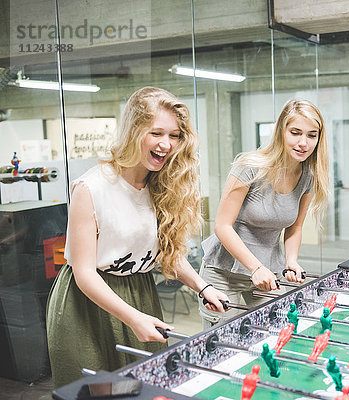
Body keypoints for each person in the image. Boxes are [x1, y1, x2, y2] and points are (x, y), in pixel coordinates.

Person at [46, 87, 229, 388]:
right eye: (156, 133)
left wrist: (202, 286)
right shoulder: (91, 188)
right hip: (86, 303)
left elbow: (166, 253)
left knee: (142, 387)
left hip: (140, 292)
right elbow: (83, 273)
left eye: (174, 135)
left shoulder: (162, 185)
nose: (166, 144)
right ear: (133, 130)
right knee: (98, 391)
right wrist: (132, 318)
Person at [199, 99, 329, 325]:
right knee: (219, 343)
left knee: (271, 332)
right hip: (223, 272)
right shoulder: (250, 166)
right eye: (295, 132)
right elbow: (222, 226)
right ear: (281, 131)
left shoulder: (308, 176)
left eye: (311, 135)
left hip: (268, 272)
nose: (303, 143)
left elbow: (295, 227)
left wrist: (291, 261)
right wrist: (255, 267)